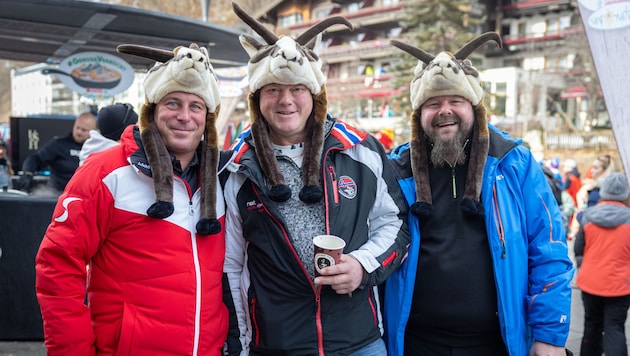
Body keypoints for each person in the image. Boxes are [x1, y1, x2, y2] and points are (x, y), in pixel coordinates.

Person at [222, 4, 410, 355]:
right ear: (258, 98)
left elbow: (395, 224)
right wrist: (242, 345)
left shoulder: (359, 150)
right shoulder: (237, 169)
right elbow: (232, 266)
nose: (286, 100)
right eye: (273, 89)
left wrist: (361, 265)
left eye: (297, 88)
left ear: (314, 94)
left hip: (359, 341)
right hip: (279, 344)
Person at [383, 33, 574, 356]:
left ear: (474, 106)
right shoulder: (397, 170)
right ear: (419, 114)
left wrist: (549, 335)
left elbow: (549, 250)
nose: (445, 111)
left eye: (455, 101)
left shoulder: (513, 162)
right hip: (416, 342)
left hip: (496, 342)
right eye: (433, 104)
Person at [35, 42, 228, 355]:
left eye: (196, 106)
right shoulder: (106, 172)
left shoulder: (221, 178)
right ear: (152, 109)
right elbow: (57, 266)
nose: (184, 116)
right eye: (173, 103)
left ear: (208, 117)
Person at [574, 172, 630, 356]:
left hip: (590, 282)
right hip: (620, 284)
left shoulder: (587, 217)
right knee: (615, 328)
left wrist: (586, 264)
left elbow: (578, 248)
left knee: (591, 326)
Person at [17, 111, 97, 195]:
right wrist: (27, 173)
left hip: (84, 197)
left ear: (93, 131)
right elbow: (35, 159)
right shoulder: (59, 144)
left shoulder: (97, 149)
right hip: (56, 195)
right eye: (77, 128)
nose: (79, 132)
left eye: (84, 130)